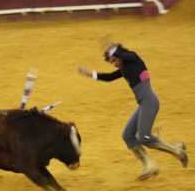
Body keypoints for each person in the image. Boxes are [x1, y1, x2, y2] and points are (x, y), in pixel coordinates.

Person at [78, 43, 188, 180]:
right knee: (128, 135)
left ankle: (176, 150)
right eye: (112, 62)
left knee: (144, 137)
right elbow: (109, 77)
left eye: (114, 60)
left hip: (150, 102)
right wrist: (90, 74)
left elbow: (126, 55)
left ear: (119, 56)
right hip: (143, 104)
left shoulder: (133, 59)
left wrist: (114, 52)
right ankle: (149, 165)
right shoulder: (124, 70)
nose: (114, 64)